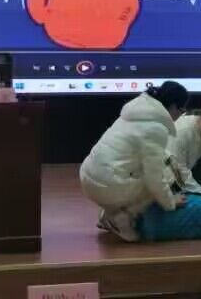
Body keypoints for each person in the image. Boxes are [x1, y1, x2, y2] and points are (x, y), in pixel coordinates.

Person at [80, 81, 190, 241]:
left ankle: (109, 214)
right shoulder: (156, 128)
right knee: (163, 177)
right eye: (182, 110)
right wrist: (170, 202)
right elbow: (155, 179)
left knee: (144, 168)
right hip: (106, 186)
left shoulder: (135, 112)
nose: (181, 115)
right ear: (173, 106)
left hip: (88, 178)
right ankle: (122, 218)